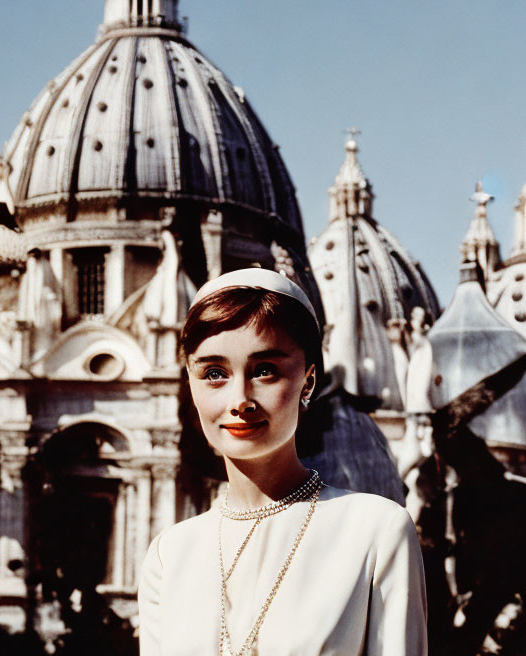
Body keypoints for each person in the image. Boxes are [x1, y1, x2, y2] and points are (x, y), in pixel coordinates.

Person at [138, 268, 428, 655]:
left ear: (308, 382)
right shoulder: (169, 554)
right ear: (189, 382)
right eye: (213, 374)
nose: (239, 400)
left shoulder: (378, 531)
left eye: (264, 371)